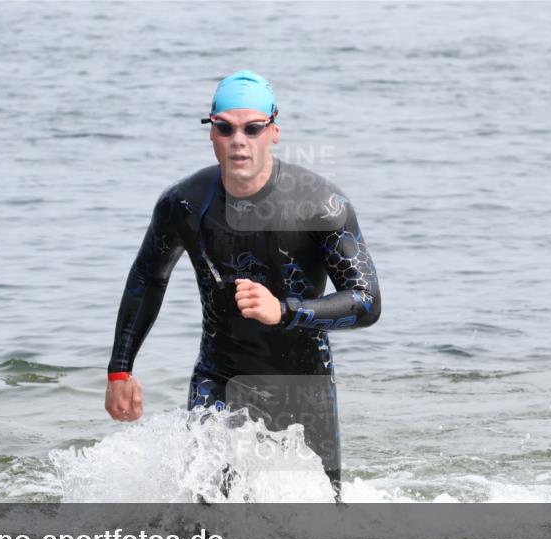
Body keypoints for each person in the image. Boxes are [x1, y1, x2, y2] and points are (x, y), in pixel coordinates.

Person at [105, 70, 380, 499]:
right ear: (211, 132)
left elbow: (367, 302)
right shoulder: (183, 204)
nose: (239, 140)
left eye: (252, 128)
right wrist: (121, 368)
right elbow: (148, 277)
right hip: (218, 376)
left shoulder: (321, 205)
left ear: (273, 131)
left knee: (325, 527)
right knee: (208, 516)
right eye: (225, 127)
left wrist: (284, 310)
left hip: (302, 381)